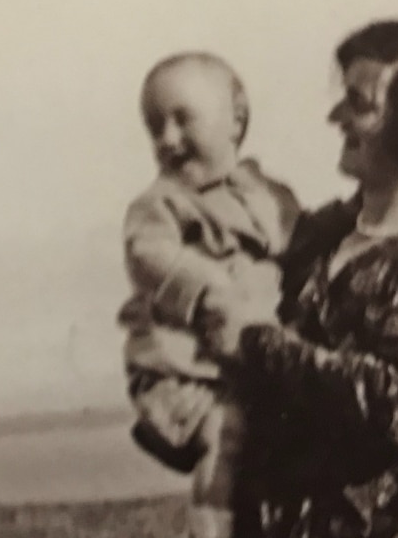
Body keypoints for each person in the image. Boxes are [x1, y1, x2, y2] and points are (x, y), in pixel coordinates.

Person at [195, 20, 398, 538]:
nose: (335, 116)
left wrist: (254, 343)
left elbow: (397, 409)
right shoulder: (316, 243)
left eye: (359, 103)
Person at [116, 51, 300, 538]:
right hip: (185, 368)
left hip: (246, 363)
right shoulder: (160, 204)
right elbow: (149, 255)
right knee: (226, 435)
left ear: (236, 121)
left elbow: (301, 251)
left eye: (182, 119)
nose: (167, 139)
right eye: (155, 126)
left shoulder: (272, 196)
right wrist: (211, 288)